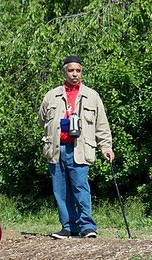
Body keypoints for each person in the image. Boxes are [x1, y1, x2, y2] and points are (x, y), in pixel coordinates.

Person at [39, 55, 114, 239]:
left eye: (78, 70)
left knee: (81, 188)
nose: (75, 74)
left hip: (80, 148)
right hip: (57, 150)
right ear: (64, 72)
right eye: (71, 70)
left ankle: (87, 226)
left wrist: (106, 147)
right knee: (61, 191)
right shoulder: (51, 95)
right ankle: (68, 227)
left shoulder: (92, 96)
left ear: (81, 72)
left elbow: (101, 125)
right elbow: (42, 120)